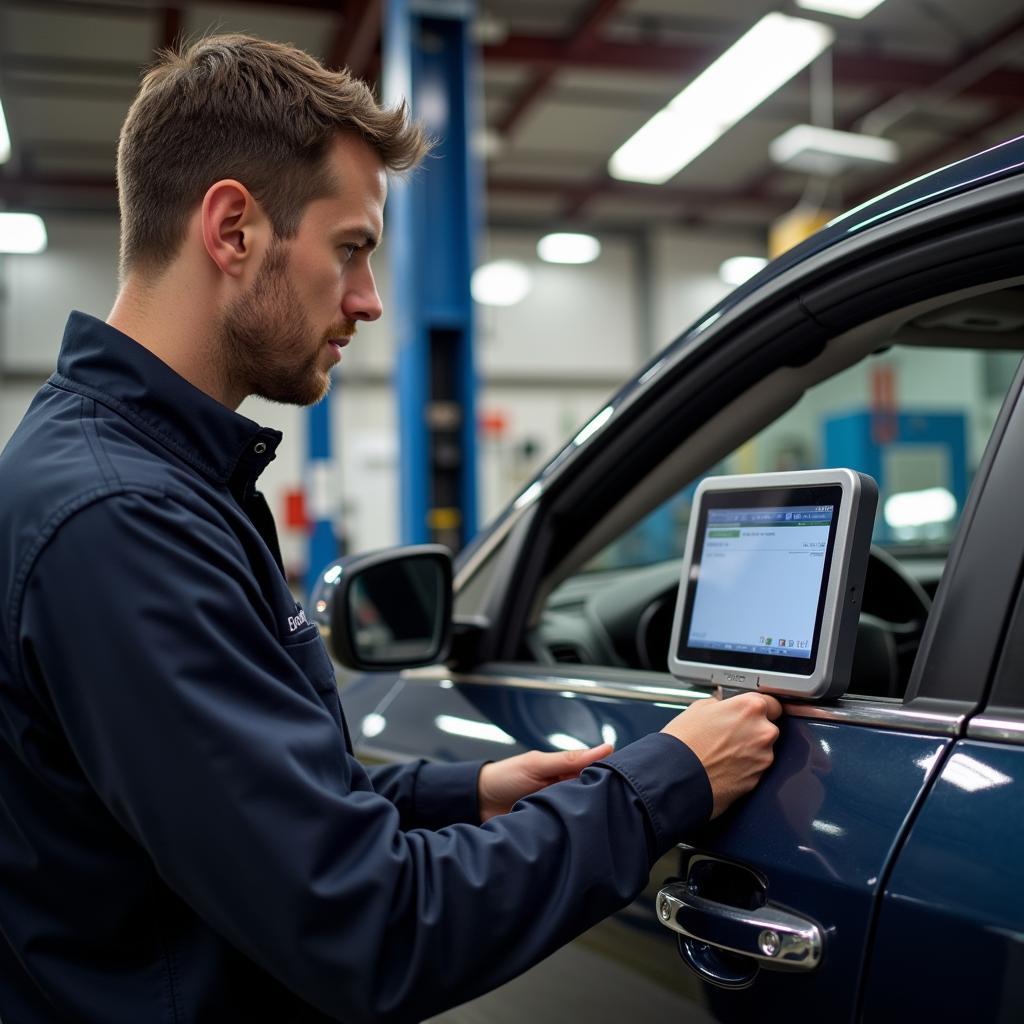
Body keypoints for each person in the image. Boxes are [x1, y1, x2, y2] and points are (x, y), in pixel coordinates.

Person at [0, 35, 782, 1023]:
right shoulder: (123, 520)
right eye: (352, 248)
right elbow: (363, 925)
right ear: (233, 228)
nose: (369, 300)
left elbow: (242, 809)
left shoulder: (144, 477)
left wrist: (465, 793)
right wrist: (663, 779)